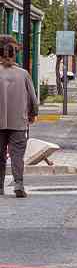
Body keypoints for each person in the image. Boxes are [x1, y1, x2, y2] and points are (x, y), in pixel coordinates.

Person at [0, 36, 40, 198]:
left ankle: (0, 187)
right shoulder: (23, 74)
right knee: (17, 155)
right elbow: (33, 100)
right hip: (19, 122)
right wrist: (32, 114)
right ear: (14, 54)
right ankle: (18, 184)